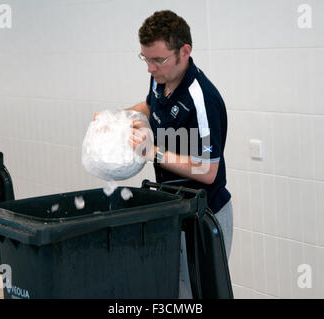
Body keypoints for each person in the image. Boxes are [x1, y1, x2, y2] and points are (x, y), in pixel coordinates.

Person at [95, 10, 233, 298]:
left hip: (204, 215)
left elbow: (209, 171)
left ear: (184, 51)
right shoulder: (160, 78)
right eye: (146, 59)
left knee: (196, 296)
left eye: (158, 60)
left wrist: (152, 152)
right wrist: (119, 117)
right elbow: (150, 105)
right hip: (170, 208)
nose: (150, 69)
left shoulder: (202, 99)